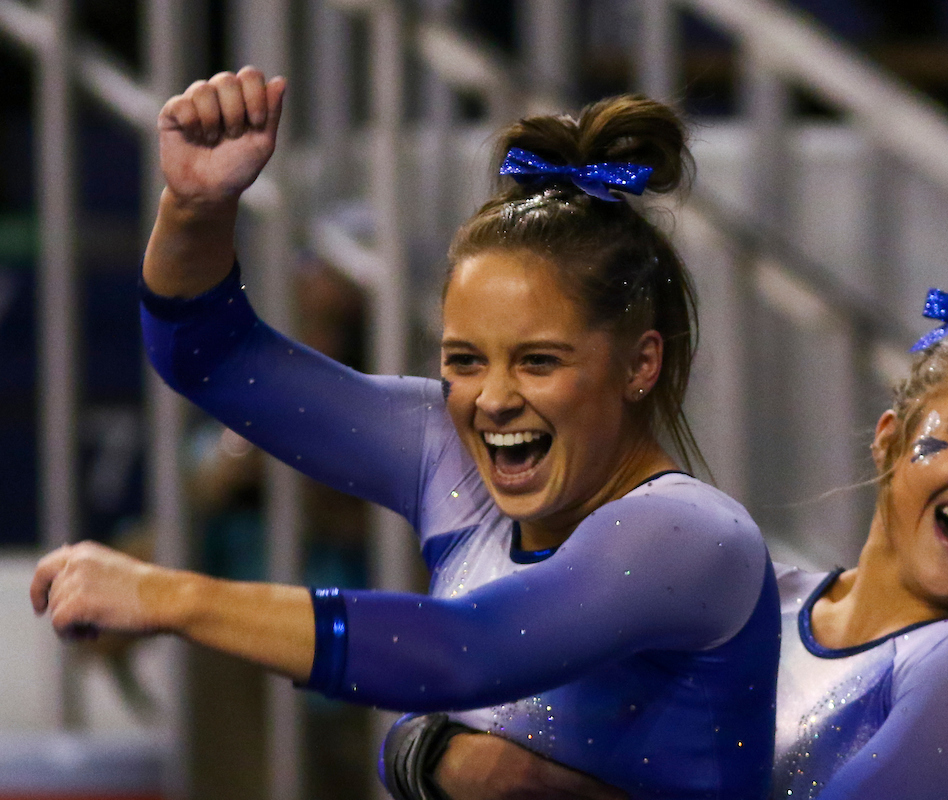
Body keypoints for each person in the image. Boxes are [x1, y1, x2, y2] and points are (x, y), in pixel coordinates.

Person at [29, 68, 780, 799]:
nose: (492, 399)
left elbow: (463, 653)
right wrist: (195, 208)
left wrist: (171, 599)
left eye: (539, 362)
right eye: (465, 360)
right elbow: (213, 356)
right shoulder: (444, 451)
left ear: (639, 363)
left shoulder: (687, 533)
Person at [393, 278, 948, 800]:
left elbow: (511, 767)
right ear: (890, 441)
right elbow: (474, 715)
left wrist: (519, 780)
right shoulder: (747, 604)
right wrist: (434, 753)